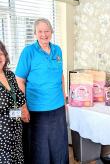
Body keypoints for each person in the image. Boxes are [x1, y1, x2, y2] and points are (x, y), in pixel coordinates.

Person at [15, 18, 69, 164]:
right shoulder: (28, 52)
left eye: (47, 31)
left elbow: (61, 75)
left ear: (51, 32)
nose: (44, 34)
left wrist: (64, 97)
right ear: (35, 33)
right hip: (37, 109)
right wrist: (23, 106)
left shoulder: (57, 50)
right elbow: (19, 80)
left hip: (57, 107)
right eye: (40, 31)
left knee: (59, 146)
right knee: (40, 149)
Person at [0, 41, 26, 163]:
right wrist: (18, 113)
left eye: (1, 54)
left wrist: (23, 112)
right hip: (2, 134)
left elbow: (20, 98)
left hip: (16, 129)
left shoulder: (9, 74)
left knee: (17, 158)